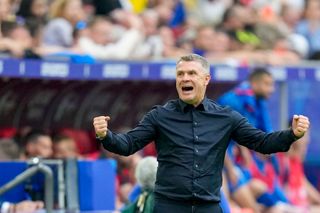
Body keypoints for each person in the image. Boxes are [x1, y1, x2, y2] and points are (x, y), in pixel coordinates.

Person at [93, 54, 310, 213]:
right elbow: (128, 144)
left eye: (191, 73)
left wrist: (292, 134)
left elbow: (262, 142)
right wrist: (106, 136)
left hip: (209, 206)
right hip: (169, 206)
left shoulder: (226, 117)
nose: (185, 78)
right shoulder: (159, 116)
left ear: (206, 79)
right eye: (180, 74)